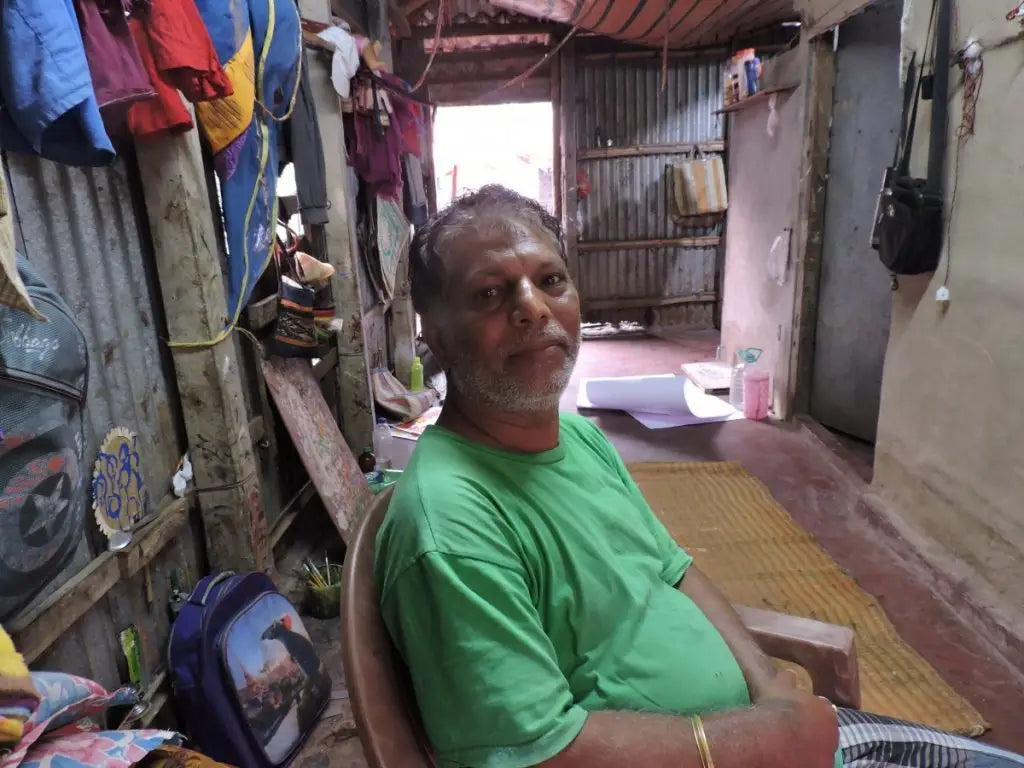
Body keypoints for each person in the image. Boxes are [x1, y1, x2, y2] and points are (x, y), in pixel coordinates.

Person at [374, 185, 1023, 768]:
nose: (533, 307)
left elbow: (674, 571)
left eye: (551, 279)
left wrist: (769, 690)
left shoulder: (575, 438)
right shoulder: (451, 524)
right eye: (491, 293)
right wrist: (760, 740)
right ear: (437, 332)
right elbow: (538, 753)